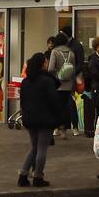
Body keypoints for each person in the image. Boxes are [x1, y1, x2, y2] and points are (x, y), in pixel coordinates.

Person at [17, 52, 64, 187]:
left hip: (30, 118)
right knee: (42, 148)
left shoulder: (26, 81)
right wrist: (59, 117)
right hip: (45, 119)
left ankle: (23, 175)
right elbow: (53, 101)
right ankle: (38, 176)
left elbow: (23, 101)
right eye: (45, 61)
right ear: (43, 64)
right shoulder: (47, 81)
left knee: (34, 148)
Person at [47, 32, 78, 139]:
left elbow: (50, 68)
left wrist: (57, 74)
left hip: (57, 84)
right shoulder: (71, 53)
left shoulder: (55, 52)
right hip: (68, 84)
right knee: (65, 107)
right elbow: (73, 70)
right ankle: (64, 129)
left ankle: (55, 128)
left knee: (55, 107)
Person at [82, 36, 99, 138]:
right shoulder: (93, 59)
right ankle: (95, 131)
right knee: (98, 110)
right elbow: (94, 74)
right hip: (97, 88)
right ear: (95, 48)